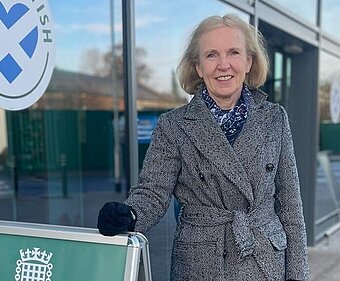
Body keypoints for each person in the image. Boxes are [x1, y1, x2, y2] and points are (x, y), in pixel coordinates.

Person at [97, 14, 309, 281]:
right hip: (201, 262)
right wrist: (129, 214)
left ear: (248, 61)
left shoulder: (274, 118)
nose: (223, 65)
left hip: (265, 259)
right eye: (211, 55)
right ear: (198, 67)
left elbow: (290, 204)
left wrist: (297, 275)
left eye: (233, 52)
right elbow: (153, 192)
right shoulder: (174, 125)